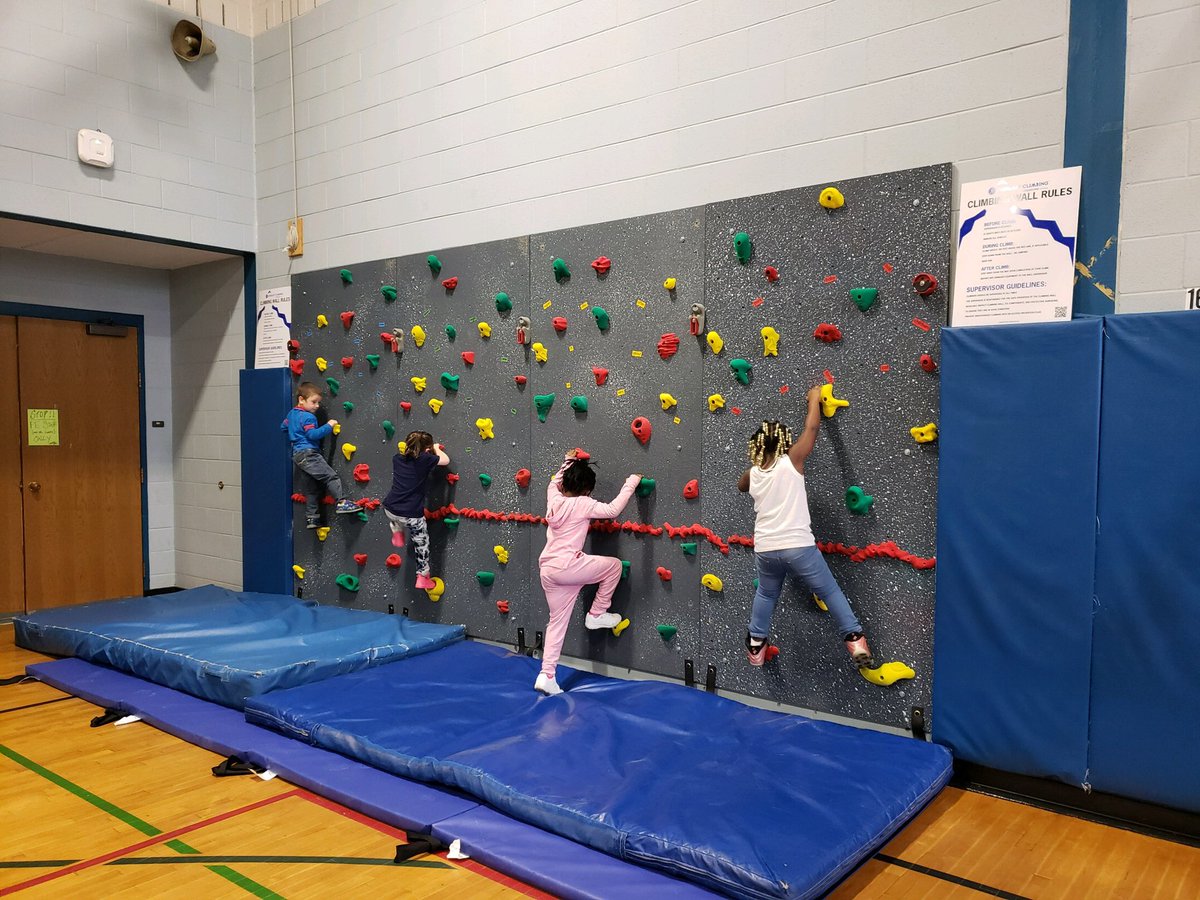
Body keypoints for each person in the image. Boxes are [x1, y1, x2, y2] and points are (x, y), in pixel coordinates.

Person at [737, 385, 872, 669]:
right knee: (830, 592)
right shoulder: (792, 460)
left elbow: (741, 485)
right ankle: (855, 639)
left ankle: (756, 645)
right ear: (785, 443)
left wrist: (756, 468)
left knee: (766, 594)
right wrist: (814, 398)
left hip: (766, 549)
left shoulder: (753, 473)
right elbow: (811, 429)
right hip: (797, 546)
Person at [535, 449, 641, 696]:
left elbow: (554, 481)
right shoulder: (583, 503)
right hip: (568, 566)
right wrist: (631, 482)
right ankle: (597, 613)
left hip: (548, 570)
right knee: (614, 566)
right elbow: (612, 510)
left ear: (564, 484)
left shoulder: (553, 497)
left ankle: (546, 675)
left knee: (557, 623)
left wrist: (568, 461)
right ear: (587, 491)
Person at [281, 382, 359, 527]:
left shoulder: (291, 414)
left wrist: (295, 433)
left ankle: (312, 517)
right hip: (309, 453)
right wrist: (329, 425)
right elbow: (313, 435)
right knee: (331, 476)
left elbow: (284, 427)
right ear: (301, 399)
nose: (317, 406)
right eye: (313, 402)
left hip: (298, 455)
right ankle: (342, 502)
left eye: (318, 402)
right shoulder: (308, 417)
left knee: (311, 488)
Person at [383, 431, 449, 590]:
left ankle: (397, 533)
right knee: (421, 542)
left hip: (390, 507)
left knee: (396, 518)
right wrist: (436, 448)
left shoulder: (397, 459)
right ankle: (423, 576)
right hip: (411, 514)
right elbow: (446, 460)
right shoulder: (425, 459)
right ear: (427, 449)